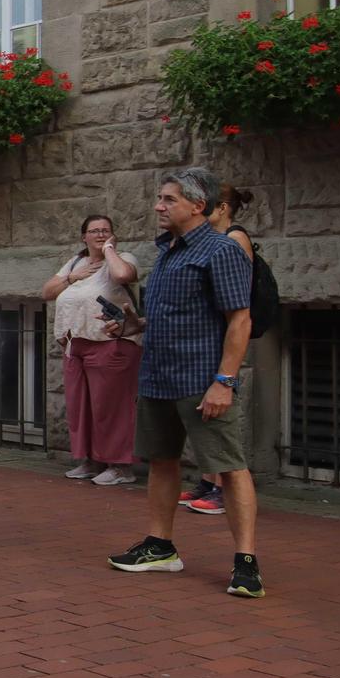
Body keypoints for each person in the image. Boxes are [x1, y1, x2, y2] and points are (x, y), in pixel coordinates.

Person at [106, 167, 263, 598]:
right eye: (160, 199)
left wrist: (224, 381)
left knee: (229, 468)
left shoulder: (221, 250)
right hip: (158, 376)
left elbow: (240, 319)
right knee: (162, 460)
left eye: (168, 200)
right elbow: (175, 315)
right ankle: (160, 547)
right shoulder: (168, 251)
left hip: (201, 379)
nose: (159, 206)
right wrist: (132, 325)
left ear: (198, 205)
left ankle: (246, 563)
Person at [43, 214, 141, 485]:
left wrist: (109, 249)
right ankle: (91, 460)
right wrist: (72, 277)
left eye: (105, 231)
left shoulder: (123, 259)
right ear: (83, 236)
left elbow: (123, 275)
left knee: (111, 408)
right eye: (94, 231)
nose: (99, 235)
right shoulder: (75, 262)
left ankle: (120, 466)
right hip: (75, 345)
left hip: (110, 344)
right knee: (81, 407)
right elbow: (47, 292)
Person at [180, 186, 258, 514]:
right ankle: (209, 481)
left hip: (226, 338)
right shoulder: (212, 240)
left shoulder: (234, 239)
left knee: (220, 415)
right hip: (211, 338)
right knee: (204, 413)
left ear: (222, 207)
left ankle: (221, 488)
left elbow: (237, 300)